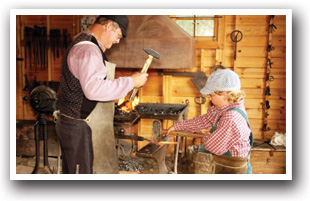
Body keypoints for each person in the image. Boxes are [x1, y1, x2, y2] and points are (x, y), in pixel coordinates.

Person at [55, 15, 148, 174]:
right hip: (79, 125)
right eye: (118, 36)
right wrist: (130, 82)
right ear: (109, 26)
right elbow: (94, 90)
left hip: (71, 122)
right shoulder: (89, 51)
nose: (118, 41)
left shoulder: (82, 42)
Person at [167, 69, 253, 174]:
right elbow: (205, 120)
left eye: (211, 95)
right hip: (226, 164)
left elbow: (213, 146)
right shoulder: (222, 108)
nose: (210, 99)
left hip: (235, 169)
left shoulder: (231, 117)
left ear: (224, 95)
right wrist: (178, 126)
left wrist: (207, 136)